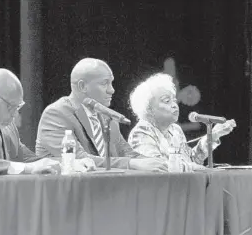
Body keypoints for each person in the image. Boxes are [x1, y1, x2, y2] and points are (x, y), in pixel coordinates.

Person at [36, 58, 168, 172]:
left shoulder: (107, 117)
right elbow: (80, 159)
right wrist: (131, 164)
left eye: (111, 83)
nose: (112, 90)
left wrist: (165, 164)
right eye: (104, 83)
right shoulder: (56, 114)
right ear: (82, 86)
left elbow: (128, 154)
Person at [128, 73, 236, 171]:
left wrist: (213, 136)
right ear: (148, 109)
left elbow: (191, 161)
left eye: (174, 100)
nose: (174, 105)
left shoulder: (175, 130)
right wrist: (199, 168)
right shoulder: (141, 132)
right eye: (167, 101)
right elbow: (160, 167)